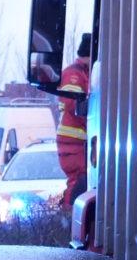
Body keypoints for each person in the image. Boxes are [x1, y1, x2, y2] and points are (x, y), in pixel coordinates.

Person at [28, 32, 95, 209]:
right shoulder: (74, 75)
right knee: (80, 181)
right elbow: (76, 106)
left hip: (78, 143)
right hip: (73, 143)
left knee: (81, 181)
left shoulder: (84, 73)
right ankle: (68, 214)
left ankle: (68, 213)